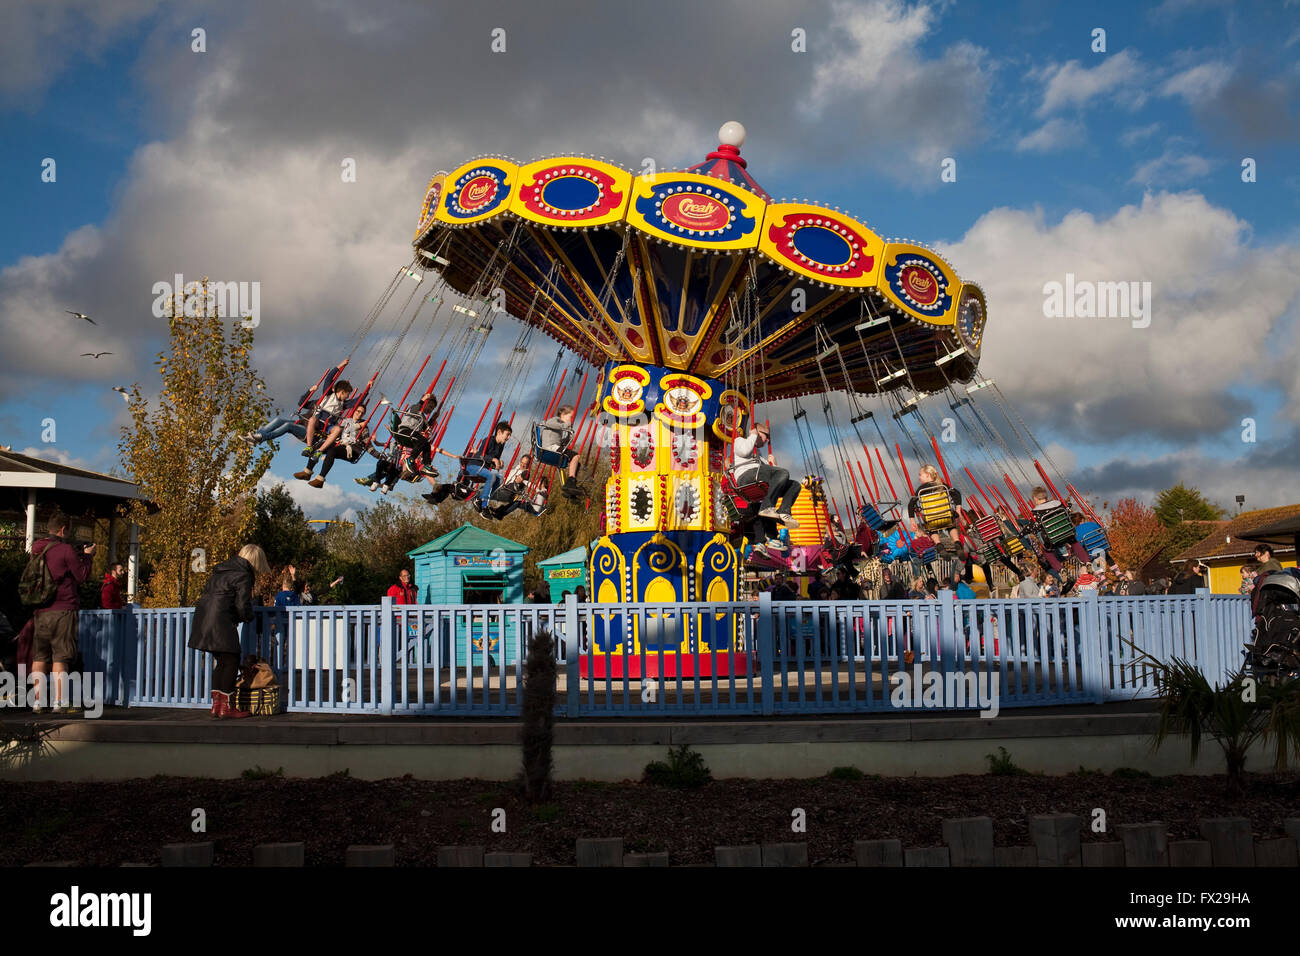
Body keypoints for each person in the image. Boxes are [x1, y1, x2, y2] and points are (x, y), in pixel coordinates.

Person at [188, 544, 270, 719]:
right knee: (232, 660)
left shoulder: (220, 570)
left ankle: (217, 705)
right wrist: (248, 617)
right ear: (256, 561)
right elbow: (242, 604)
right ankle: (227, 707)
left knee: (222, 662)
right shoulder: (244, 575)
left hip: (204, 618)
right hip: (221, 620)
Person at [27, 513, 94, 714]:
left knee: (40, 657)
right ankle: (58, 702)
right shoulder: (65, 550)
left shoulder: (37, 548)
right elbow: (81, 575)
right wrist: (88, 556)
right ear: (63, 529)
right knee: (60, 658)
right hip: (63, 609)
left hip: (41, 610)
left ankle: (37, 702)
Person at [249, 357, 352, 445]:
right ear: (341, 391)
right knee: (279, 420)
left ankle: (262, 437)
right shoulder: (321, 400)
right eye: (347, 394)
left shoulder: (341, 404)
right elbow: (302, 403)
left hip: (313, 432)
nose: (348, 396)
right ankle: (258, 435)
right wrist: (309, 391)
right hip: (303, 423)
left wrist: (367, 388)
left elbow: (354, 402)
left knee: (288, 426)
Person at [730, 420, 802, 529]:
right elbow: (744, 451)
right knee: (783, 472)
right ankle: (767, 506)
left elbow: (777, 477)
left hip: (757, 476)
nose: (767, 439)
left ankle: (784, 511)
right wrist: (753, 436)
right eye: (766, 435)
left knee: (795, 485)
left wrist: (774, 465)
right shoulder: (740, 441)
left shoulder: (758, 455)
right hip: (746, 476)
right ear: (757, 432)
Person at [296, 403, 371, 488]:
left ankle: (320, 479)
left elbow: (367, 443)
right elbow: (338, 432)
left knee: (332, 451)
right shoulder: (345, 421)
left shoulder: (364, 427)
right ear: (354, 411)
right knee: (319, 446)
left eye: (362, 413)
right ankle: (307, 472)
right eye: (358, 411)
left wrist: (378, 454)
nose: (360, 414)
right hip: (341, 445)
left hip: (352, 450)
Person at [907, 465, 962, 554]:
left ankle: (938, 544)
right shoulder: (942, 486)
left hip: (931, 520)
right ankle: (956, 541)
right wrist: (958, 509)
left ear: (928, 475)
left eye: (920, 475)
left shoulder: (921, 490)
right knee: (951, 525)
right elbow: (956, 494)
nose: (919, 477)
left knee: (931, 529)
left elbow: (911, 504)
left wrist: (912, 520)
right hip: (946, 517)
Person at [461, 421, 512, 513]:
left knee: (499, 479)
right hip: (473, 467)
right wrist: (494, 459)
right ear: (499, 432)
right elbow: (480, 455)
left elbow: (494, 464)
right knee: (491, 476)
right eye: (507, 434)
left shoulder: (500, 447)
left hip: (483, 469)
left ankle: (480, 498)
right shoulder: (488, 440)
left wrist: (499, 463)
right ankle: (484, 504)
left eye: (509, 436)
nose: (508, 438)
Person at [537, 405, 584, 499]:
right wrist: (564, 426)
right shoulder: (555, 419)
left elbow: (559, 441)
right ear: (563, 414)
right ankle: (570, 482)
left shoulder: (559, 425)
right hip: (550, 448)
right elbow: (548, 424)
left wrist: (567, 438)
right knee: (576, 456)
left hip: (554, 447)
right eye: (570, 417)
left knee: (577, 464)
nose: (571, 420)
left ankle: (570, 489)